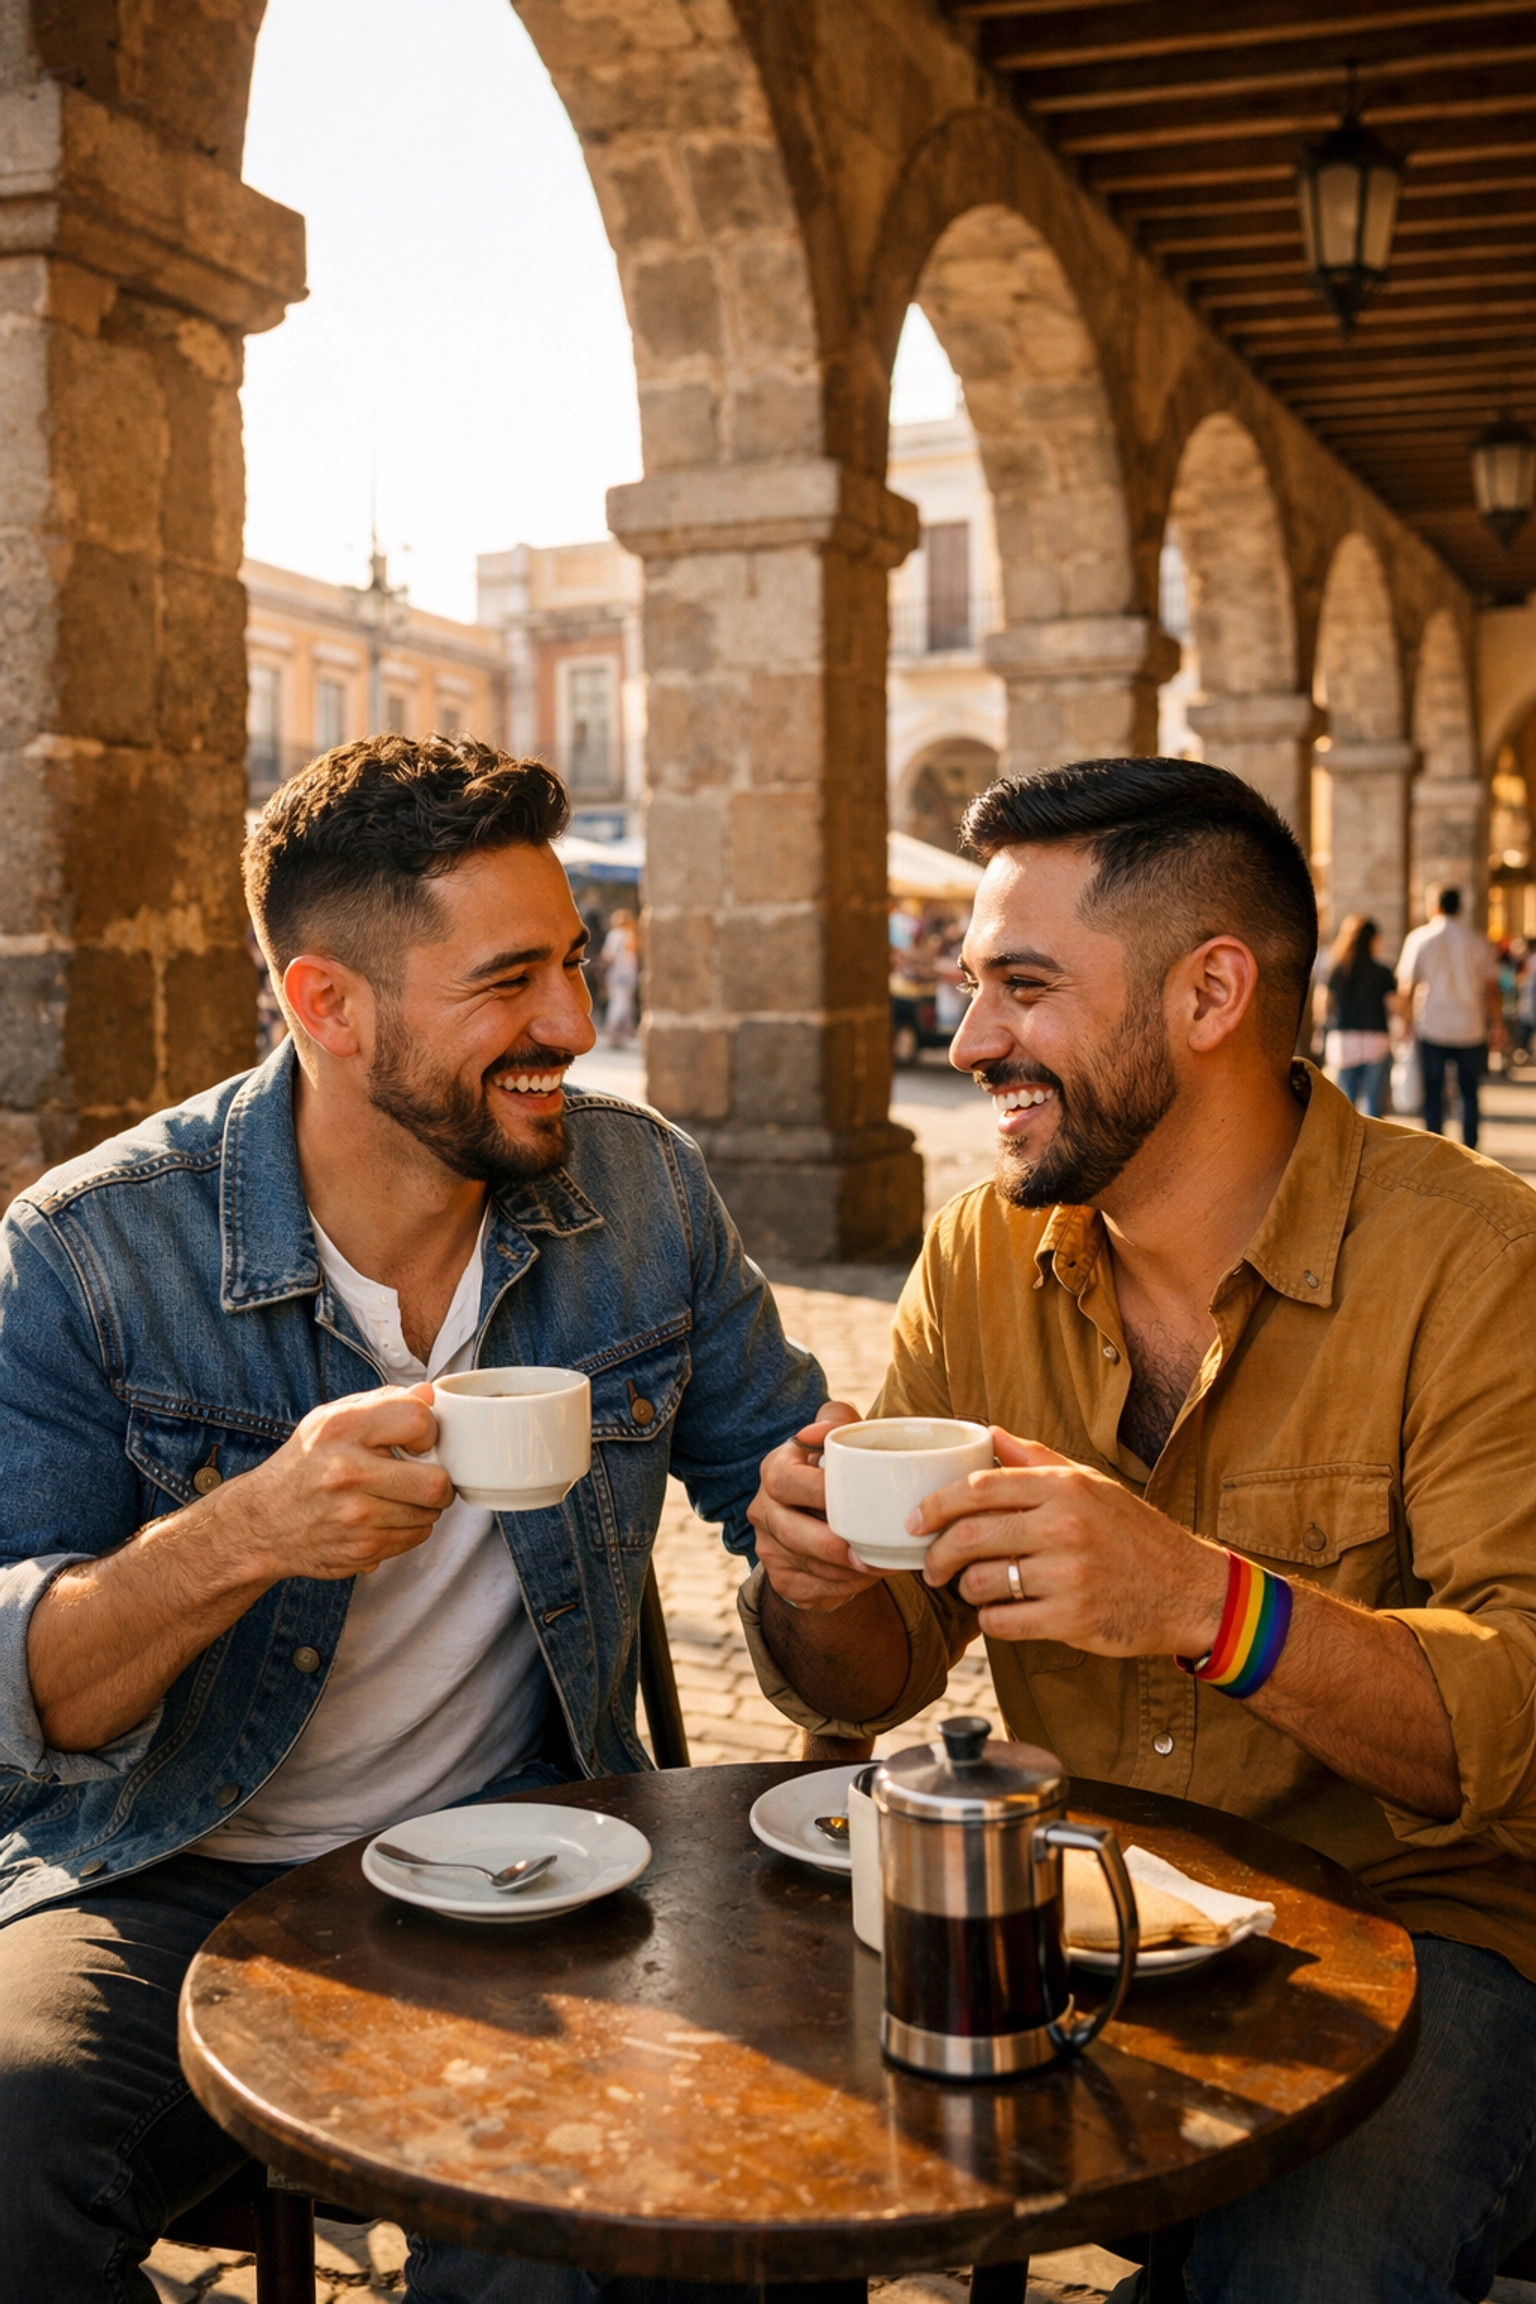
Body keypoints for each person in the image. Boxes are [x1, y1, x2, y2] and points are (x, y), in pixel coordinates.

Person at [0, 734, 826, 2304]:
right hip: (169, 1864)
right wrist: (248, 1533)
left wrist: (826, 1547)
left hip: (539, 1856)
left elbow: (840, 1654)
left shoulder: (643, 1200)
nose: (577, 1026)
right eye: (511, 981)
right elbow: (32, 1705)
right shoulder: (92, 1250)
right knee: (8, 2153)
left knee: (584, 2249)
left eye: (576, 966)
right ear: (328, 1005)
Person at [743, 758, 1536, 2304]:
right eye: (973, 988)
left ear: (1211, 991)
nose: (969, 1041)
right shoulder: (985, 1247)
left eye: (1022, 989)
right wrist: (809, 1577)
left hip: (1432, 1933)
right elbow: (869, 1678)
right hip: (1095, 1906)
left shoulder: (1478, 1258)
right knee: (736, 2147)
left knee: (1305, 2265)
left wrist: (1207, 1605)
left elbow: (1519, 1718)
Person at [1397, 886, 1503, 1148]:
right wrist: (1497, 1023)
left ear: (1435, 906)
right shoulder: (1476, 940)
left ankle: (1436, 1146)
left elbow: (1407, 987)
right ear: (1460, 907)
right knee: (1469, 1091)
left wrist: (1404, 1021)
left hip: (1433, 1024)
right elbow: (1491, 988)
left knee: (1433, 1092)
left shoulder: (1420, 938)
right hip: (1470, 1025)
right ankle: (1471, 1146)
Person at [1322, 913, 1397, 1117]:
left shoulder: (1337, 970)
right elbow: (1394, 1007)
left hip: (1344, 1040)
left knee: (1346, 1102)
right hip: (1376, 1039)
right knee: (1374, 1102)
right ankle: (1371, 1148)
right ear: (1374, 940)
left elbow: (1323, 1007)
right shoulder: (1383, 971)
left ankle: (1347, 1147)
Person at [601, 906, 640, 1046]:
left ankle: (613, 1030)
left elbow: (608, 955)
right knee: (625, 1003)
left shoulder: (615, 935)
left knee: (617, 1002)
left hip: (616, 973)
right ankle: (621, 1032)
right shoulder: (630, 935)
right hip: (629, 974)